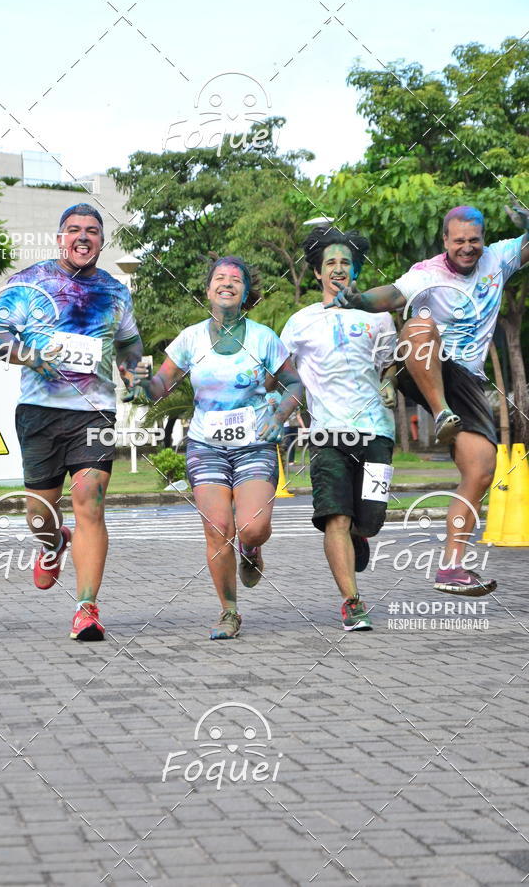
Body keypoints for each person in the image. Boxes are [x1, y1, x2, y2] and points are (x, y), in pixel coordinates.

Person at [332, 204, 529, 596]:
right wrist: (359, 300)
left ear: (483, 240)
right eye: (459, 242)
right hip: (422, 364)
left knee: (481, 468)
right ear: (445, 241)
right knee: (419, 323)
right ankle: (438, 413)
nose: (468, 249)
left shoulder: (500, 258)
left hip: (467, 381)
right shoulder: (427, 273)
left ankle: (451, 567)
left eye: (474, 241)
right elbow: (390, 296)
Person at [0, 203, 143, 640]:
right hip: (39, 412)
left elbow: (130, 349)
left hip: (94, 411)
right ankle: (53, 543)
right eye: (74, 230)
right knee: (39, 516)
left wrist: (134, 372)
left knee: (90, 499)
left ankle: (87, 608)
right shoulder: (30, 282)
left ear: (101, 241)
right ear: (60, 238)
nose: (83, 237)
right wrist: (28, 356)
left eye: (92, 231)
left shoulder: (115, 292)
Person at [133, 256, 303, 639]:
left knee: (253, 527)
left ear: (245, 294)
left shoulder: (263, 338)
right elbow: (162, 385)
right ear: (208, 289)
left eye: (236, 280)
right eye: (220, 279)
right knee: (217, 528)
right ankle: (229, 611)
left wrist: (278, 420)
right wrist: (143, 386)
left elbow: (294, 384)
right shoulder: (190, 338)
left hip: (256, 444)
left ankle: (252, 549)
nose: (227, 284)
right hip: (206, 445)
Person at [280, 227, 398, 631]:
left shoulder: (378, 316)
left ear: (355, 270)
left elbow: (390, 367)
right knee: (336, 518)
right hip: (328, 434)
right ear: (317, 272)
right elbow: (282, 375)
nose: (339, 268)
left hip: (378, 433)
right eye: (330, 262)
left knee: (371, 519)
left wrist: (388, 383)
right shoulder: (300, 323)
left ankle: (362, 536)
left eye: (346, 262)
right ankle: (351, 601)